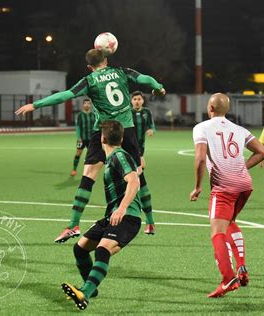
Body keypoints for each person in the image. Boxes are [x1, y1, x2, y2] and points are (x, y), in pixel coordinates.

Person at [16, 49, 165, 243]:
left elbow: (64, 95)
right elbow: (145, 79)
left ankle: (73, 225)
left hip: (102, 131)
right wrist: (158, 87)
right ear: (106, 59)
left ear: (89, 66)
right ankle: (151, 222)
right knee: (137, 175)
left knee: (87, 178)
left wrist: (35, 105)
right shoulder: (121, 71)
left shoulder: (89, 80)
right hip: (126, 131)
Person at [189, 93, 264, 298]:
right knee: (230, 221)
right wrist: (242, 166)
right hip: (244, 185)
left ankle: (228, 278)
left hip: (224, 187)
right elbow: (261, 152)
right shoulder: (239, 129)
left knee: (217, 233)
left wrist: (197, 187)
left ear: (210, 108)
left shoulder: (202, 127)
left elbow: (199, 159)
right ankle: (241, 268)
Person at [61, 120, 141, 310]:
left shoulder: (119, 156)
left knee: (102, 250)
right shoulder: (113, 157)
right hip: (112, 217)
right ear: (121, 138)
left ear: (102, 138)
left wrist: (121, 208)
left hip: (127, 217)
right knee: (80, 249)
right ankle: (91, 288)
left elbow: (134, 182)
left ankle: (85, 293)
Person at [131, 90, 156, 234]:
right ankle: (148, 220)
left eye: (139, 99)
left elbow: (151, 126)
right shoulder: (127, 112)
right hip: (126, 152)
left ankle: (150, 221)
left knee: (138, 182)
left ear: (143, 101)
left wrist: (151, 130)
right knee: (136, 182)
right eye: (134, 99)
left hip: (138, 153)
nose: (137, 101)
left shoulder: (147, 112)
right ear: (131, 101)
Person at [71, 99, 95, 177]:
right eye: (85, 103)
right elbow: (78, 127)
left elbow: (96, 127)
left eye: (88, 103)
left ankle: (88, 171)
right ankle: (74, 169)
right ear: (83, 105)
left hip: (91, 139)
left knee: (90, 155)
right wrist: (79, 137)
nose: (87, 105)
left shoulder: (93, 115)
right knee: (78, 153)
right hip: (81, 139)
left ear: (90, 105)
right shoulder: (80, 115)